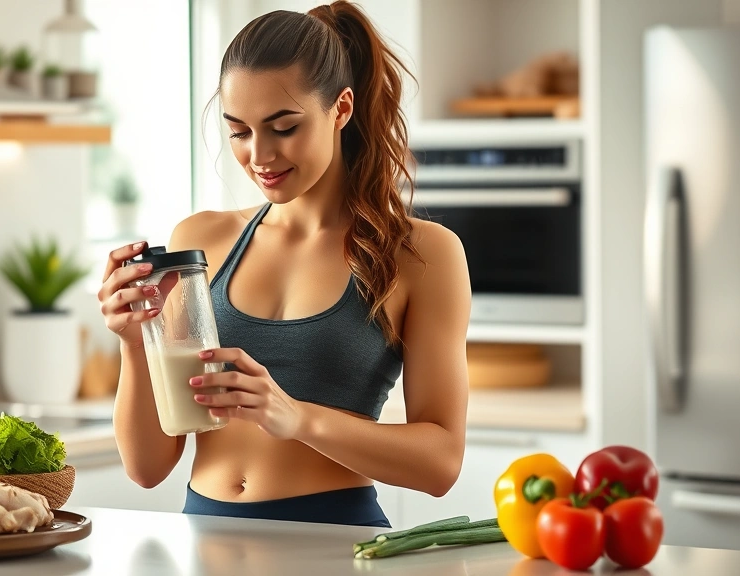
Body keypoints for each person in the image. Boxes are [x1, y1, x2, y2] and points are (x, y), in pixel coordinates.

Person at [98, 0, 470, 528]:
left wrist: (297, 417)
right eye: (239, 131)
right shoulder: (201, 241)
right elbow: (147, 466)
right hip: (205, 538)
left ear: (340, 109)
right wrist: (135, 342)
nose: (260, 155)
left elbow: (441, 463)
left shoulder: (422, 254)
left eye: (284, 126)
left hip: (333, 540)